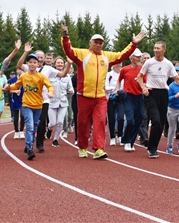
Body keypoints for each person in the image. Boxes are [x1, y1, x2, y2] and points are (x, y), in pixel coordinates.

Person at [62, 25, 146, 159]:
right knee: (83, 123)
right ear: (90, 43)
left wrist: (133, 44)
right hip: (84, 96)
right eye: (96, 42)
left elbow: (121, 55)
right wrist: (65, 36)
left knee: (100, 121)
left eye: (100, 43)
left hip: (100, 97)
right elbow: (68, 50)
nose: (98, 45)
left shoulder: (107, 56)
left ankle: (99, 149)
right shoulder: (82, 54)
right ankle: (83, 147)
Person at [136, 41, 179, 159]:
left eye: (158, 48)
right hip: (151, 93)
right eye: (154, 48)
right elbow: (139, 77)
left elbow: (176, 78)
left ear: (164, 50)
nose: (156, 50)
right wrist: (143, 87)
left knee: (160, 123)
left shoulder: (168, 64)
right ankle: (152, 148)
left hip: (163, 93)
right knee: (155, 120)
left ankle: (152, 145)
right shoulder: (149, 62)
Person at [16, 43, 70, 153]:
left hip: (44, 100)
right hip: (30, 100)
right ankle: (29, 143)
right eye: (38, 57)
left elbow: (63, 74)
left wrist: (68, 63)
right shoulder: (29, 66)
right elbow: (19, 65)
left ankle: (39, 144)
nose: (40, 59)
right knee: (31, 124)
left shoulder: (48, 69)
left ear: (44, 59)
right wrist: (25, 52)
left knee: (41, 123)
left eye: (41, 57)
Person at [9, 53, 54, 160]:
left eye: (35, 62)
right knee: (29, 126)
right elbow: (16, 85)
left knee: (34, 127)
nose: (32, 64)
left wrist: (51, 92)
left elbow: (49, 86)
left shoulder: (41, 77)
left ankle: (28, 144)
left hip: (38, 105)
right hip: (27, 105)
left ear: (38, 64)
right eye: (30, 62)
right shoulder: (24, 76)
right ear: (27, 64)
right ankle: (29, 148)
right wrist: (8, 87)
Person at [115, 48, 144, 152]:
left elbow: (145, 82)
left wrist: (145, 88)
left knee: (138, 119)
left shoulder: (142, 69)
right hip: (128, 97)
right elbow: (118, 81)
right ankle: (127, 140)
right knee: (130, 120)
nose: (139, 58)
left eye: (140, 56)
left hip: (139, 97)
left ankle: (131, 142)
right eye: (137, 56)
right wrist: (118, 90)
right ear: (131, 58)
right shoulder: (125, 69)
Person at [48, 56, 74, 147]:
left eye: (61, 63)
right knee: (53, 123)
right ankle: (49, 128)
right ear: (55, 64)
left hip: (63, 102)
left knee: (60, 122)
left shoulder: (67, 76)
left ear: (64, 65)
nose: (60, 64)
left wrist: (71, 90)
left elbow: (70, 87)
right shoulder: (50, 75)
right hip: (52, 102)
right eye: (58, 63)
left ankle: (55, 139)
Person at [106, 63, 124, 146]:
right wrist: (114, 90)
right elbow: (105, 86)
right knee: (111, 119)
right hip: (111, 98)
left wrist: (120, 91)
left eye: (120, 63)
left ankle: (120, 135)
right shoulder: (108, 75)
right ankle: (112, 137)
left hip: (120, 99)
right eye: (116, 63)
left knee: (121, 118)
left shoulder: (123, 74)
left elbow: (125, 86)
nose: (118, 65)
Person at [138, 52, 151, 146]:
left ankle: (143, 135)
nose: (146, 59)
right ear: (141, 60)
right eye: (144, 58)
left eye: (148, 58)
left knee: (149, 117)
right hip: (140, 95)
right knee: (144, 116)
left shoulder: (152, 69)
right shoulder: (139, 70)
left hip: (151, 96)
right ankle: (145, 137)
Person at [8, 70, 25, 139]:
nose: (20, 71)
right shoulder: (13, 79)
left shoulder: (25, 78)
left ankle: (21, 131)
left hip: (24, 99)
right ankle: (16, 131)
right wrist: (15, 91)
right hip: (15, 99)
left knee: (22, 115)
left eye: (21, 69)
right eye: (18, 69)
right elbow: (9, 90)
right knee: (16, 116)